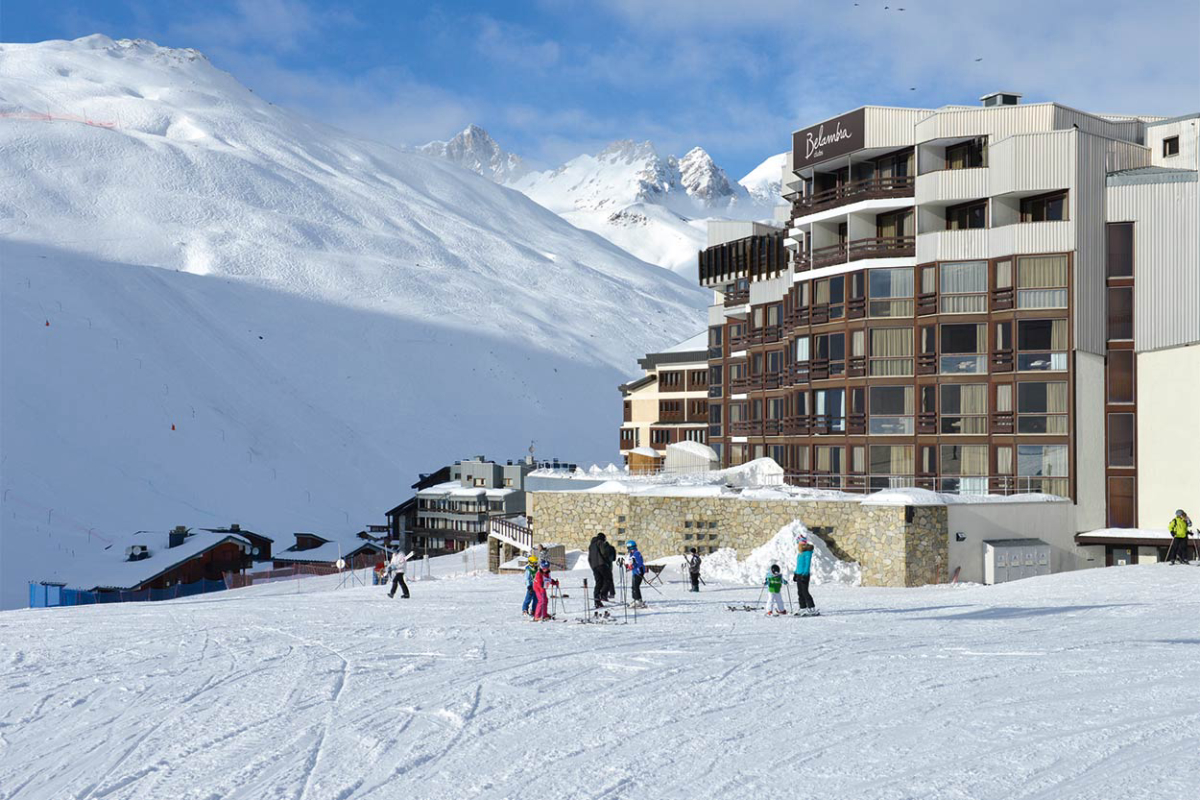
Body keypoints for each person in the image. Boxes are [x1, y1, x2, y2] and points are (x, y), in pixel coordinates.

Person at [794, 537, 818, 616]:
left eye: (799, 543)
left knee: (805, 592)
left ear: (802, 544)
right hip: (799, 574)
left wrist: (804, 574)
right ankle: (802, 607)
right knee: (800, 592)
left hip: (804, 575)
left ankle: (811, 608)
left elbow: (807, 565)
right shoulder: (800, 553)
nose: (798, 545)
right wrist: (795, 573)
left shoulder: (807, 552)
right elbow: (798, 565)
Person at [588, 533, 609, 607]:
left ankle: (597, 600)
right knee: (608, 579)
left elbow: (589, 558)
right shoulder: (600, 542)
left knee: (598, 582)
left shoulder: (591, 545)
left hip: (594, 566)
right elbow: (603, 552)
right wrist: (606, 559)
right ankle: (603, 595)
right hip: (601, 564)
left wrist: (592, 566)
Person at [627, 540, 646, 609]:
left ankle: (638, 600)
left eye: (628, 548)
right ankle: (636, 599)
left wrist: (634, 566)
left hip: (638, 572)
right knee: (634, 586)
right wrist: (630, 566)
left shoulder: (636, 554)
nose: (628, 550)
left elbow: (639, 563)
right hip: (635, 572)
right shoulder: (632, 554)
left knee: (635, 586)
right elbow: (632, 563)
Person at [601, 535, 617, 600]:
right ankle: (612, 593)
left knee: (604, 579)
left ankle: (605, 594)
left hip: (605, 565)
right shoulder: (612, 548)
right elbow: (614, 558)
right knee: (610, 579)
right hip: (610, 565)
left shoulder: (603, 548)